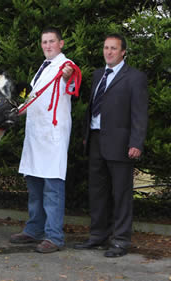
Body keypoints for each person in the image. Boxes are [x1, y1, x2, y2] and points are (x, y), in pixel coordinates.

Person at [74, 34, 148, 257]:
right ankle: (98, 236)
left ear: (123, 51)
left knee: (121, 193)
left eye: (113, 48)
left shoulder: (135, 77)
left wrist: (136, 142)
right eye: (106, 48)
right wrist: (87, 135)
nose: (108, 52)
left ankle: (121, 240)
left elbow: (139, 113)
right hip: (96, 140)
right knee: (97, 192)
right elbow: (93, 108)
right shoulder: (98, 74)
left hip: (121, 143)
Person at [10, 27, 76, 253]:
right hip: (36, 135)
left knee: (52, 186)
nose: (47, 45)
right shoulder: (42, 68)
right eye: (44, 42)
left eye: (51, 42)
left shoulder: (66, 66)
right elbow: (34, 99)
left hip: (52, 135)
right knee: (35, 185)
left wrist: (68, 74)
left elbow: (72, 81)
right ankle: (34, 229)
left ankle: (55, 236)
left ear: (61, 44)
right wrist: (14, 112)